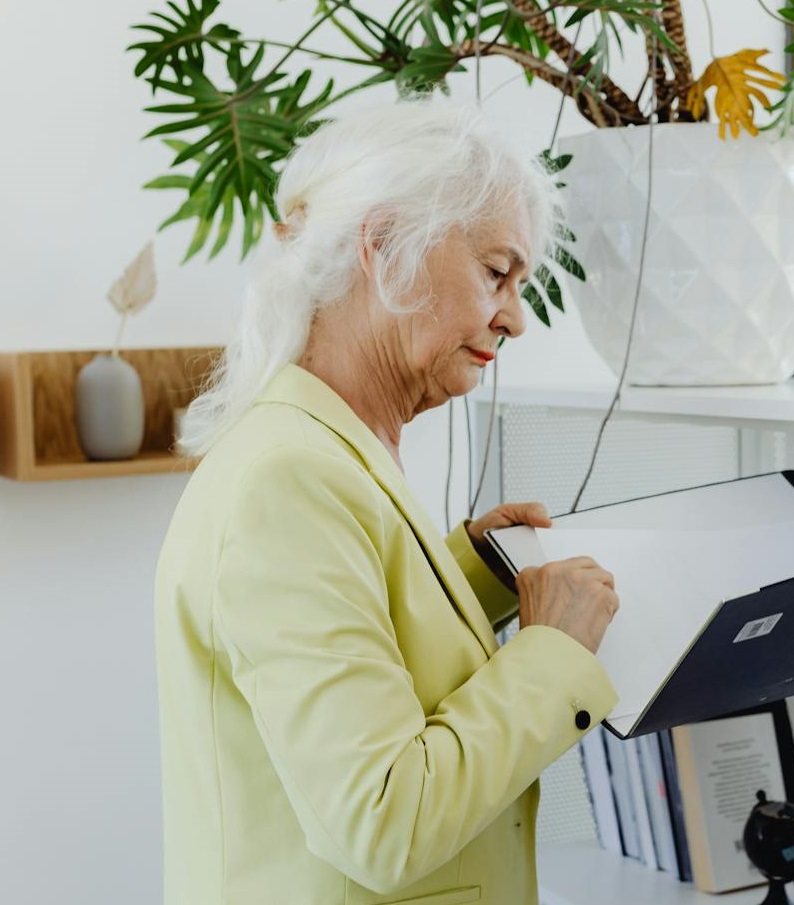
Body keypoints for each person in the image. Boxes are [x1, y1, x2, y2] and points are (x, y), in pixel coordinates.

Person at [154, 98, 620, 905]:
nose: (512, 316)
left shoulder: (319, 451)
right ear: (384, 247)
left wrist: (463, 575)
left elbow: (352, 638)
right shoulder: (289, 482)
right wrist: (554, 654)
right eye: (495, 272)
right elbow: (383, 821)